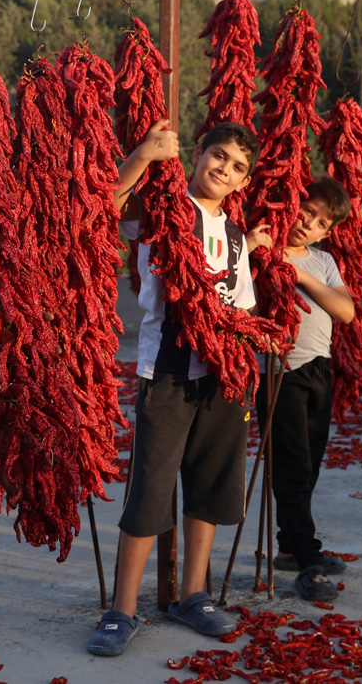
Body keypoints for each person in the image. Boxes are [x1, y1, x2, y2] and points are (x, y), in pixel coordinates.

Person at [88, 121, 258, 657]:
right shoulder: (164, 210)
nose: (224, 169)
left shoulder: (234, 234)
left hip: (222, 377)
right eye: (218, 155)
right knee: (150, 491)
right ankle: (122, 609)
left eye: (236, 166)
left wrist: (258, 347)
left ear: (241, 182)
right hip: (165, 374)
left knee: (206, 487)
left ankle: (193, 595)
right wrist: (143, 154)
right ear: (199, 155)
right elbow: (103, 206)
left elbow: (242, 310)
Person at [255, 177, 356, 601]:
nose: (307, 223)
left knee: (310, 464)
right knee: (293, 466)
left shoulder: (323, 261)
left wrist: (299, 274)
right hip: (282, 372)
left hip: (319, 368)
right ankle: (309, 560)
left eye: (318, 222)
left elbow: (347, 311)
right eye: (305, 210)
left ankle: (288, 548)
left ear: (326, 232)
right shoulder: (264, 252)